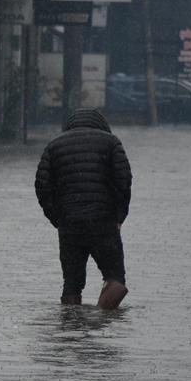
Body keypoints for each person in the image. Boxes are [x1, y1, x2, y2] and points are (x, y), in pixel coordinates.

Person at [34, 108, 133, 309]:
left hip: (69, 224)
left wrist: (57, 218)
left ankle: (72, 324)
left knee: (72, 283)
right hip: (103, 222)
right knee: (115, 278)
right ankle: (102, 320)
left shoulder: (54, 145)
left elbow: (42, 186)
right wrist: (119, 216)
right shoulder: (111, 142)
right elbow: (124, 181)